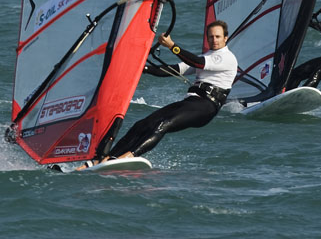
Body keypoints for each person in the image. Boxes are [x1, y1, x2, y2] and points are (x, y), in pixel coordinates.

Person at [93, 20, 238, 165]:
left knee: (162, 124)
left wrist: (172, 46)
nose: (214, 40)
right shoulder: (208, 57)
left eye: (218, 36)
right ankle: (106, 159)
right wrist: (142, 68)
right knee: (142, 124)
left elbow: (197, 63)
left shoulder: (227, 58)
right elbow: (171, 70)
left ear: (225, 38)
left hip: (207, 106)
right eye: (211, 36)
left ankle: (129, 156)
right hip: (191, 102)